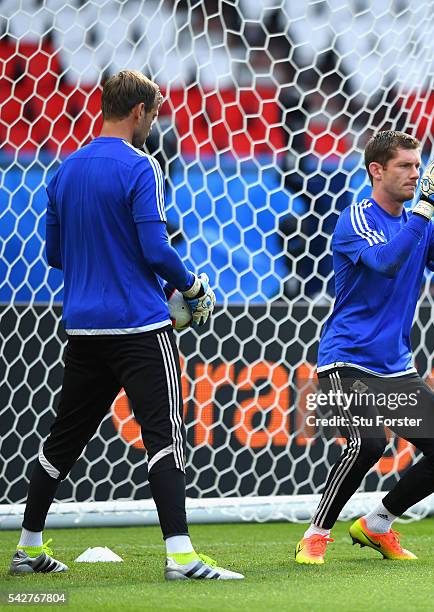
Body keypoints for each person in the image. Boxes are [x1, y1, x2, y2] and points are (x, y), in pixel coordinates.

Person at [9, 70, 243, 581]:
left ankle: (27, 547)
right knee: (164, 437)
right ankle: (180, 558)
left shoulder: (64, 170)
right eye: (154, 115)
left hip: (85, 328)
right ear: (140, 112)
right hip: (139, 326)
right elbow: (157, 249)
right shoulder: (142, 166)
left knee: (63, 439)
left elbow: (52, 255)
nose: (153, 124)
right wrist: (194, 287)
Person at [294, 130, 434, 564]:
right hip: (347, 359)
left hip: (395, 367)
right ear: (376, 170)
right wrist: (424, 210)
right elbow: (385, 262)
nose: (416, 175)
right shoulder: (356, 217)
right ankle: (316, 534)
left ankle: (377, 525)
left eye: (419, 166)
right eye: (405, 166)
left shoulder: (423, 225)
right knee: (368, 442)